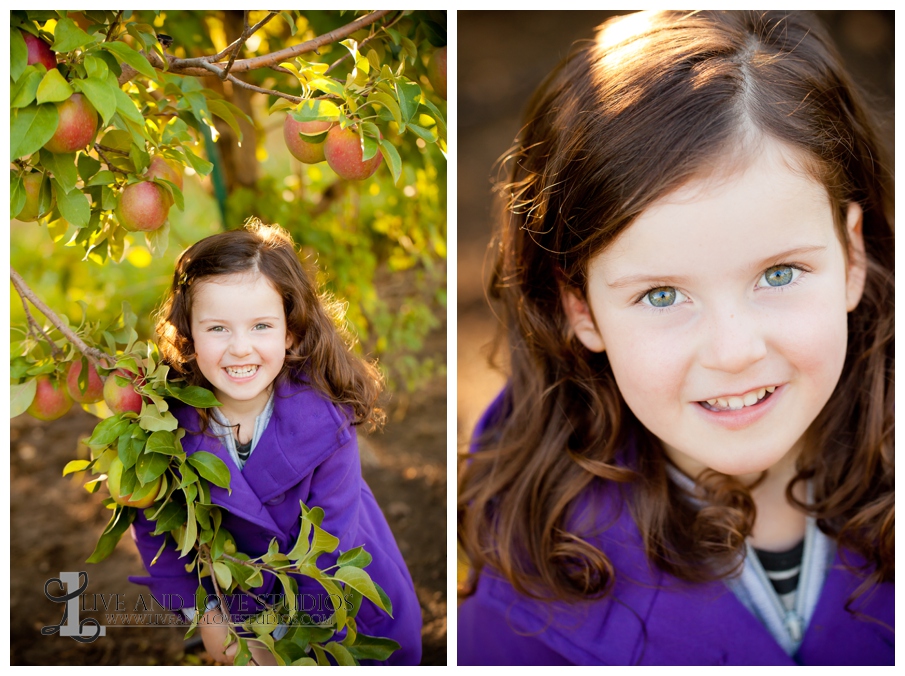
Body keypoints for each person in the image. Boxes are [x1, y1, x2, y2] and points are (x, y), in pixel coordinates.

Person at [458, 10, 893, 666]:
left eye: (779, 273)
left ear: (850, 257)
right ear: (581, 308)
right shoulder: (522, 601)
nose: (733, 350)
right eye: (661, 295)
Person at [128, 219, 422, 665]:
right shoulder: (165, 426)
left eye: (261, 326)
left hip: (336, 602)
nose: (240, 348)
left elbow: (332, 549)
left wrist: (284, 646)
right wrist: (207, 614)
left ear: (290, 330)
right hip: (240, 606)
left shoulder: (325, 426)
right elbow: (155, 527)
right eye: (218, 329)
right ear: (188, 334)